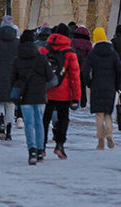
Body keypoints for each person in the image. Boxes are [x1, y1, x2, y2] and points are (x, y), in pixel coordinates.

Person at [40, 23, 81, 159]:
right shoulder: (70, 53)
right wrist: (76, 98)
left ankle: (41, 147)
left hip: (46, 91)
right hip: (63, 93)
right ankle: (59, 145)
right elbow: (74, 77)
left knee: (44, 119)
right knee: (63, 119)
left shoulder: (44, 50)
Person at [12, 30, 53, 164]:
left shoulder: (17, 59)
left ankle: (32, 151)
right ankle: (41, 150)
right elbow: (50, 77)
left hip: (25, 96)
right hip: (40, 94)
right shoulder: (41, 58)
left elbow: (12, 79)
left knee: (28, 124)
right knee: (39, 123)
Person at [82, 27, 121, 150]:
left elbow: (85, 71)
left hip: (96, 86)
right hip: (110, 86)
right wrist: (118, 85)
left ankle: (101, 142)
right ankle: (110, 134)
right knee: (108, 115)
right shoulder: (113, 53)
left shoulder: (92, 53)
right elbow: (120, 70)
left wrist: (89, 83)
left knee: (99, 115)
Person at [72, 26, 93, 108]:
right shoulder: (88, 43)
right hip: (83, 67)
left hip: (73, 67)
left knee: (73, 85)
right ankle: (83, 103)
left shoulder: (72, 42)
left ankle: (74, 102)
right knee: (82, 86)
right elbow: (90, 55)